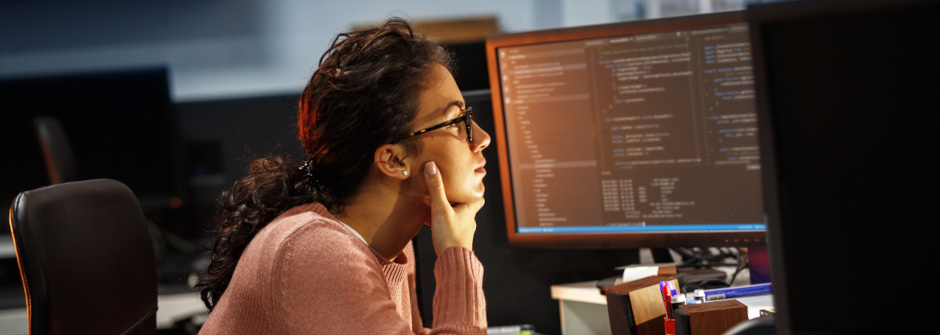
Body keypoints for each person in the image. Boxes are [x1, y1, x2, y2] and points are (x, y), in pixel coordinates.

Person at [196, 17, 491, 334]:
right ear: (392, 159)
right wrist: (456, 256)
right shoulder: (317, 253)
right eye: (456, 121)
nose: (482, 137)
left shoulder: (389, 245)